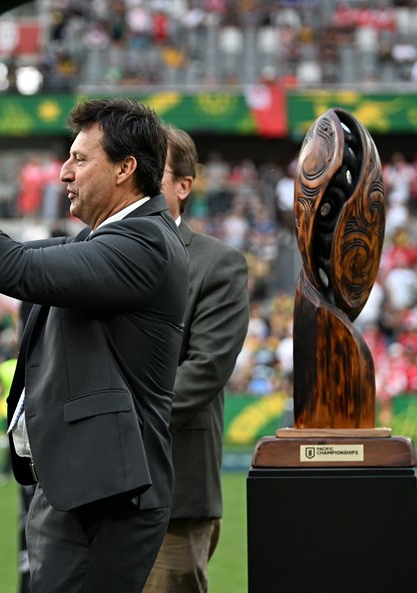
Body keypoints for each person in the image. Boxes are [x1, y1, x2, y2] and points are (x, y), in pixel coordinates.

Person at [0, 98, 189, 593]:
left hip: (109, 494)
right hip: (81, 485)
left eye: (80, 160)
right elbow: (13, 255)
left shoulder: (144, 241)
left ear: (126, 169)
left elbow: (18, 269)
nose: (63, 174)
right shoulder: (107, 239)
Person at [143, 124, 250, 593]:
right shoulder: (92, 253)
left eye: (153, 172)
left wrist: (115, 422)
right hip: (90, 496)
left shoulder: (217, 262)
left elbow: (204, 370)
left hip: (174, 492)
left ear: (184, 186)